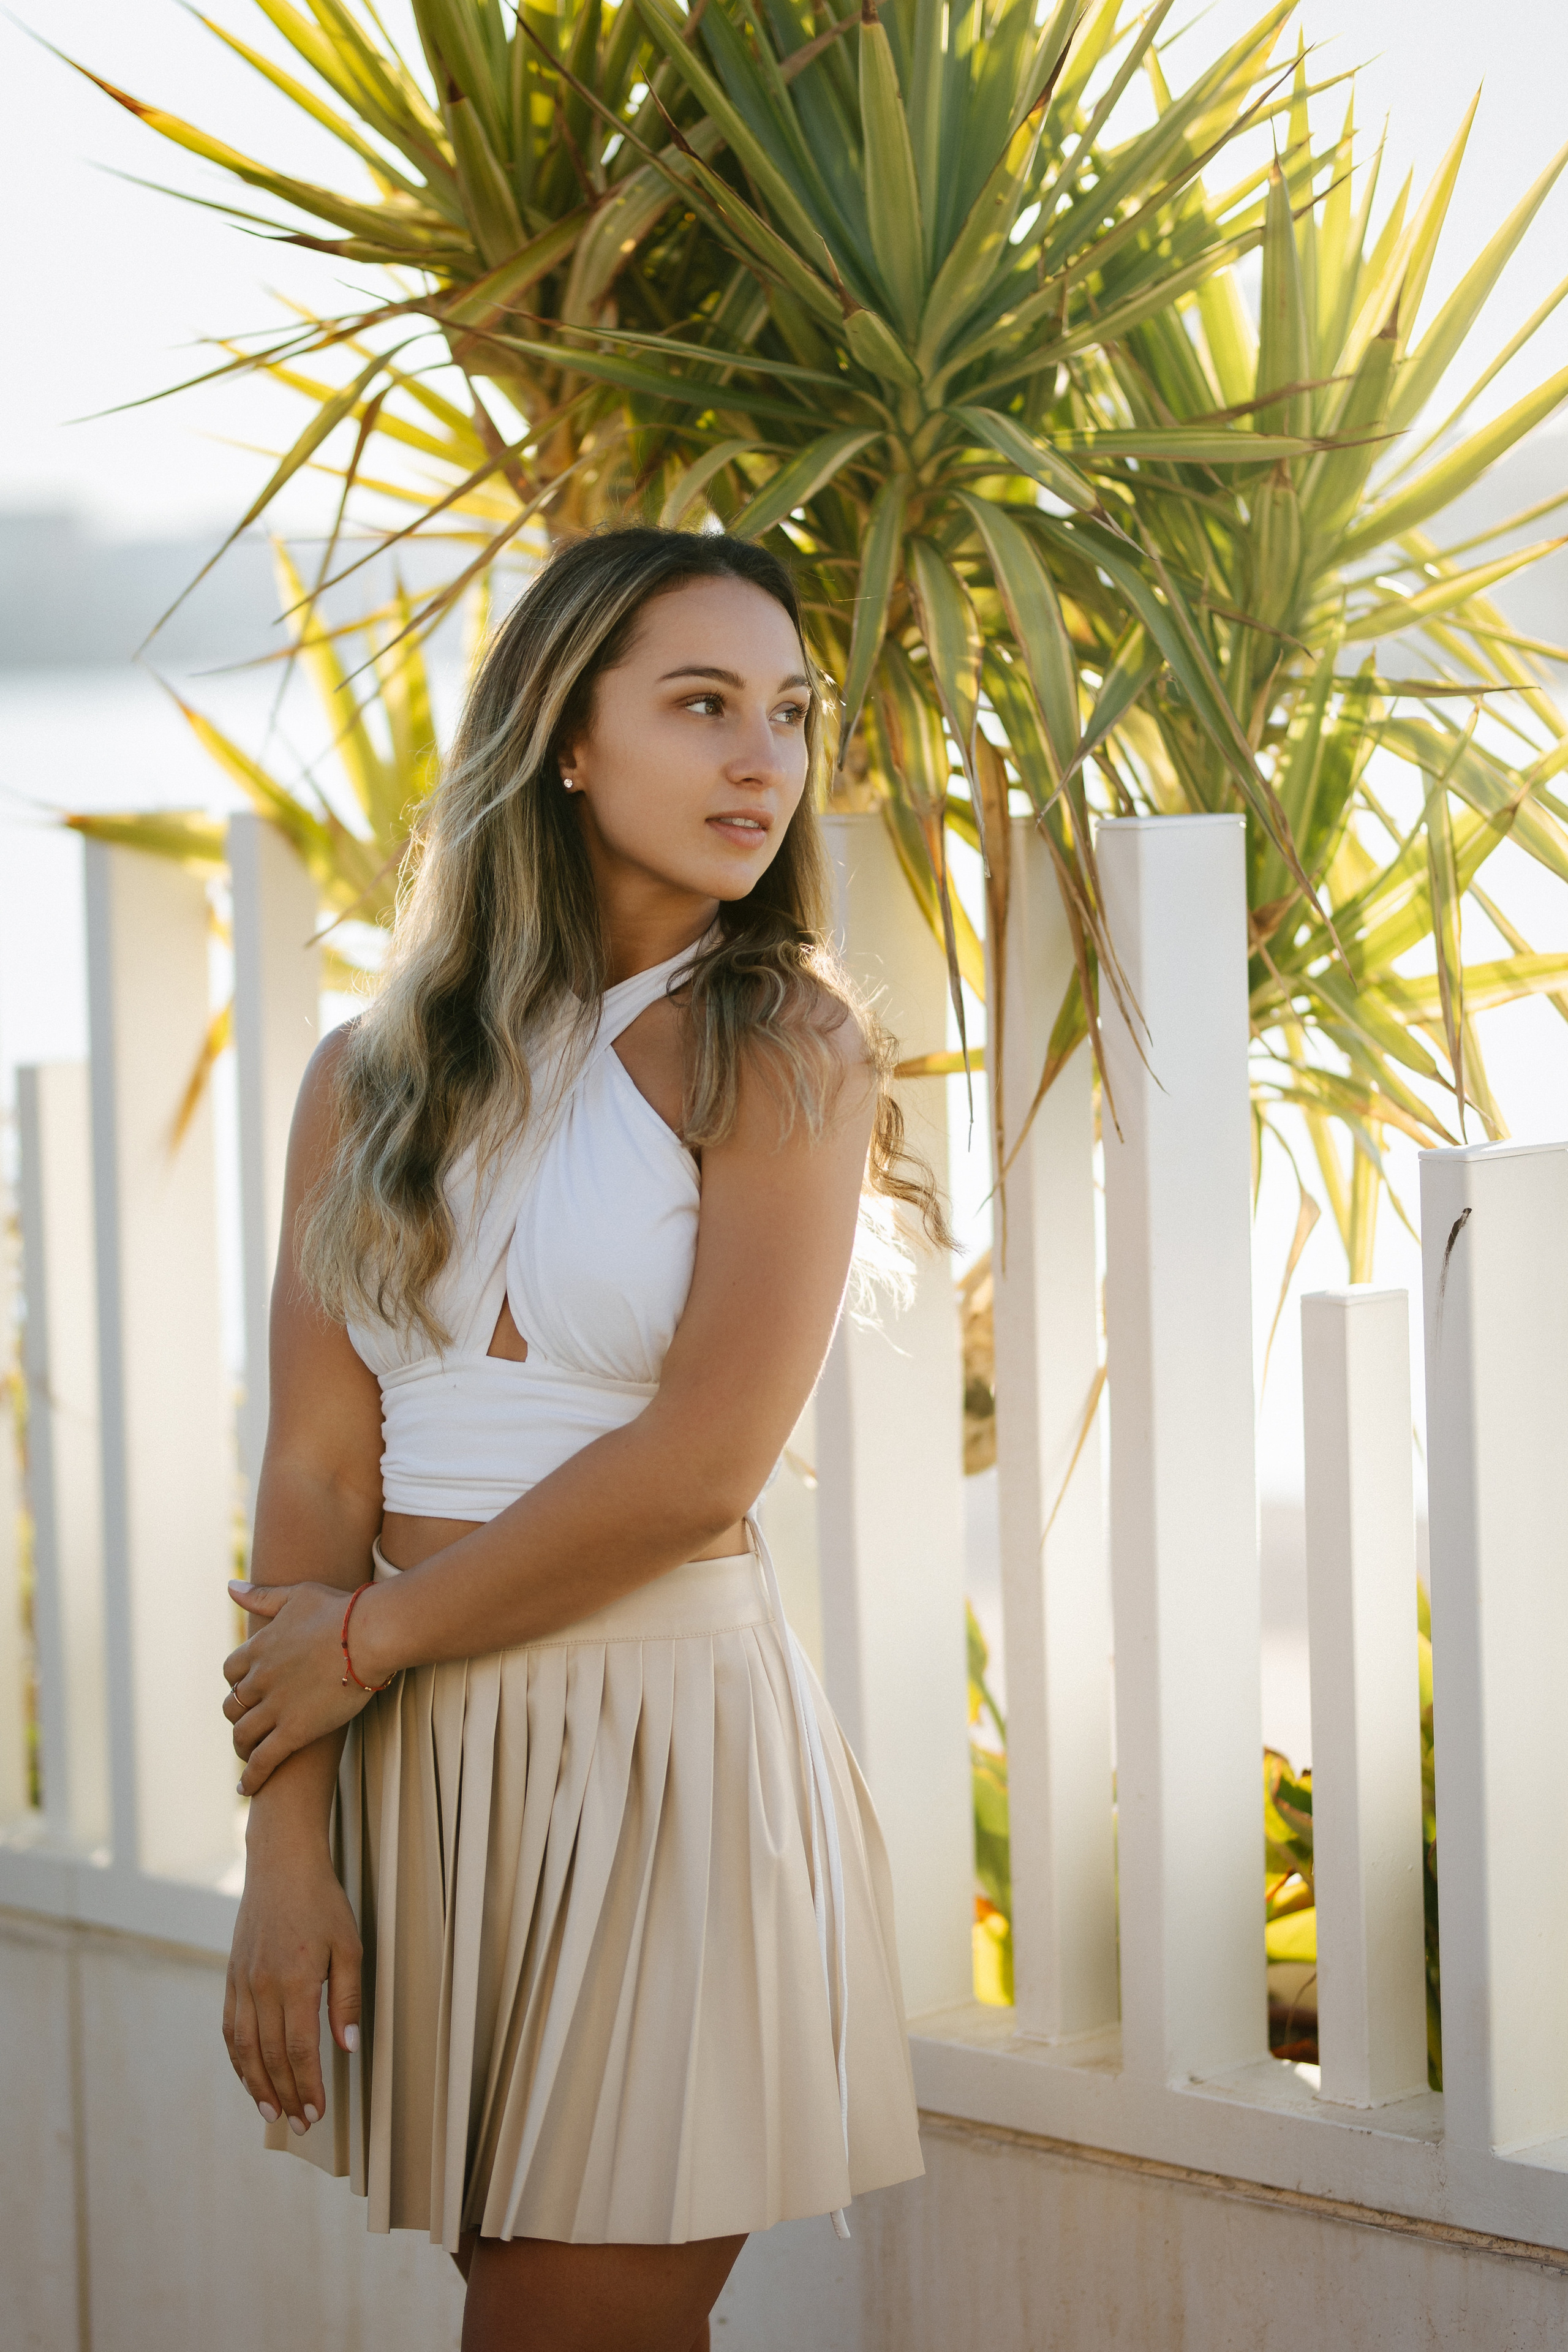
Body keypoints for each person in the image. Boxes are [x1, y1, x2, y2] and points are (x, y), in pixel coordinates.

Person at [219, 526, 940, 2352]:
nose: (762, 759)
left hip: (665, 1753)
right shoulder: (368, 1079)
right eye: (702, 706)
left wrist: (368, 1639)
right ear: (566, 735)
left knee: (561, 2326)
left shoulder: (784, 1044)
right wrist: (283, 1866)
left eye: (786, 713)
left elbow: (704, 1465)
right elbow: (315, 1476)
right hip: (427, 1769)